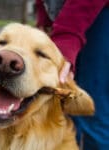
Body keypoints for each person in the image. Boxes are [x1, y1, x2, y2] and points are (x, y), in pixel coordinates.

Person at [35, 0, 109, 150]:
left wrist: (68, 36)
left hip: (98, 13)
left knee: (93, 112)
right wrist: (44, 16)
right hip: (61, 18)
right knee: (64, 105)